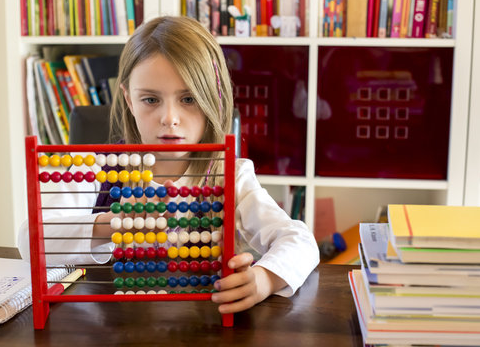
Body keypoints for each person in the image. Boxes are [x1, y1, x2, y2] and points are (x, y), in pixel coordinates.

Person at [19, 16, 319, 314]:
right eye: (151, 99)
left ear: (213, 99)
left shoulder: (229, 176)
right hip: (115, 329)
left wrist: (264, 279)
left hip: (207, 328)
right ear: (128, 99)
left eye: (188, 98)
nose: (169, 118)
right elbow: (27, 240)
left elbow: (301, 241)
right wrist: (111, 224)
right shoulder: (98, 171)